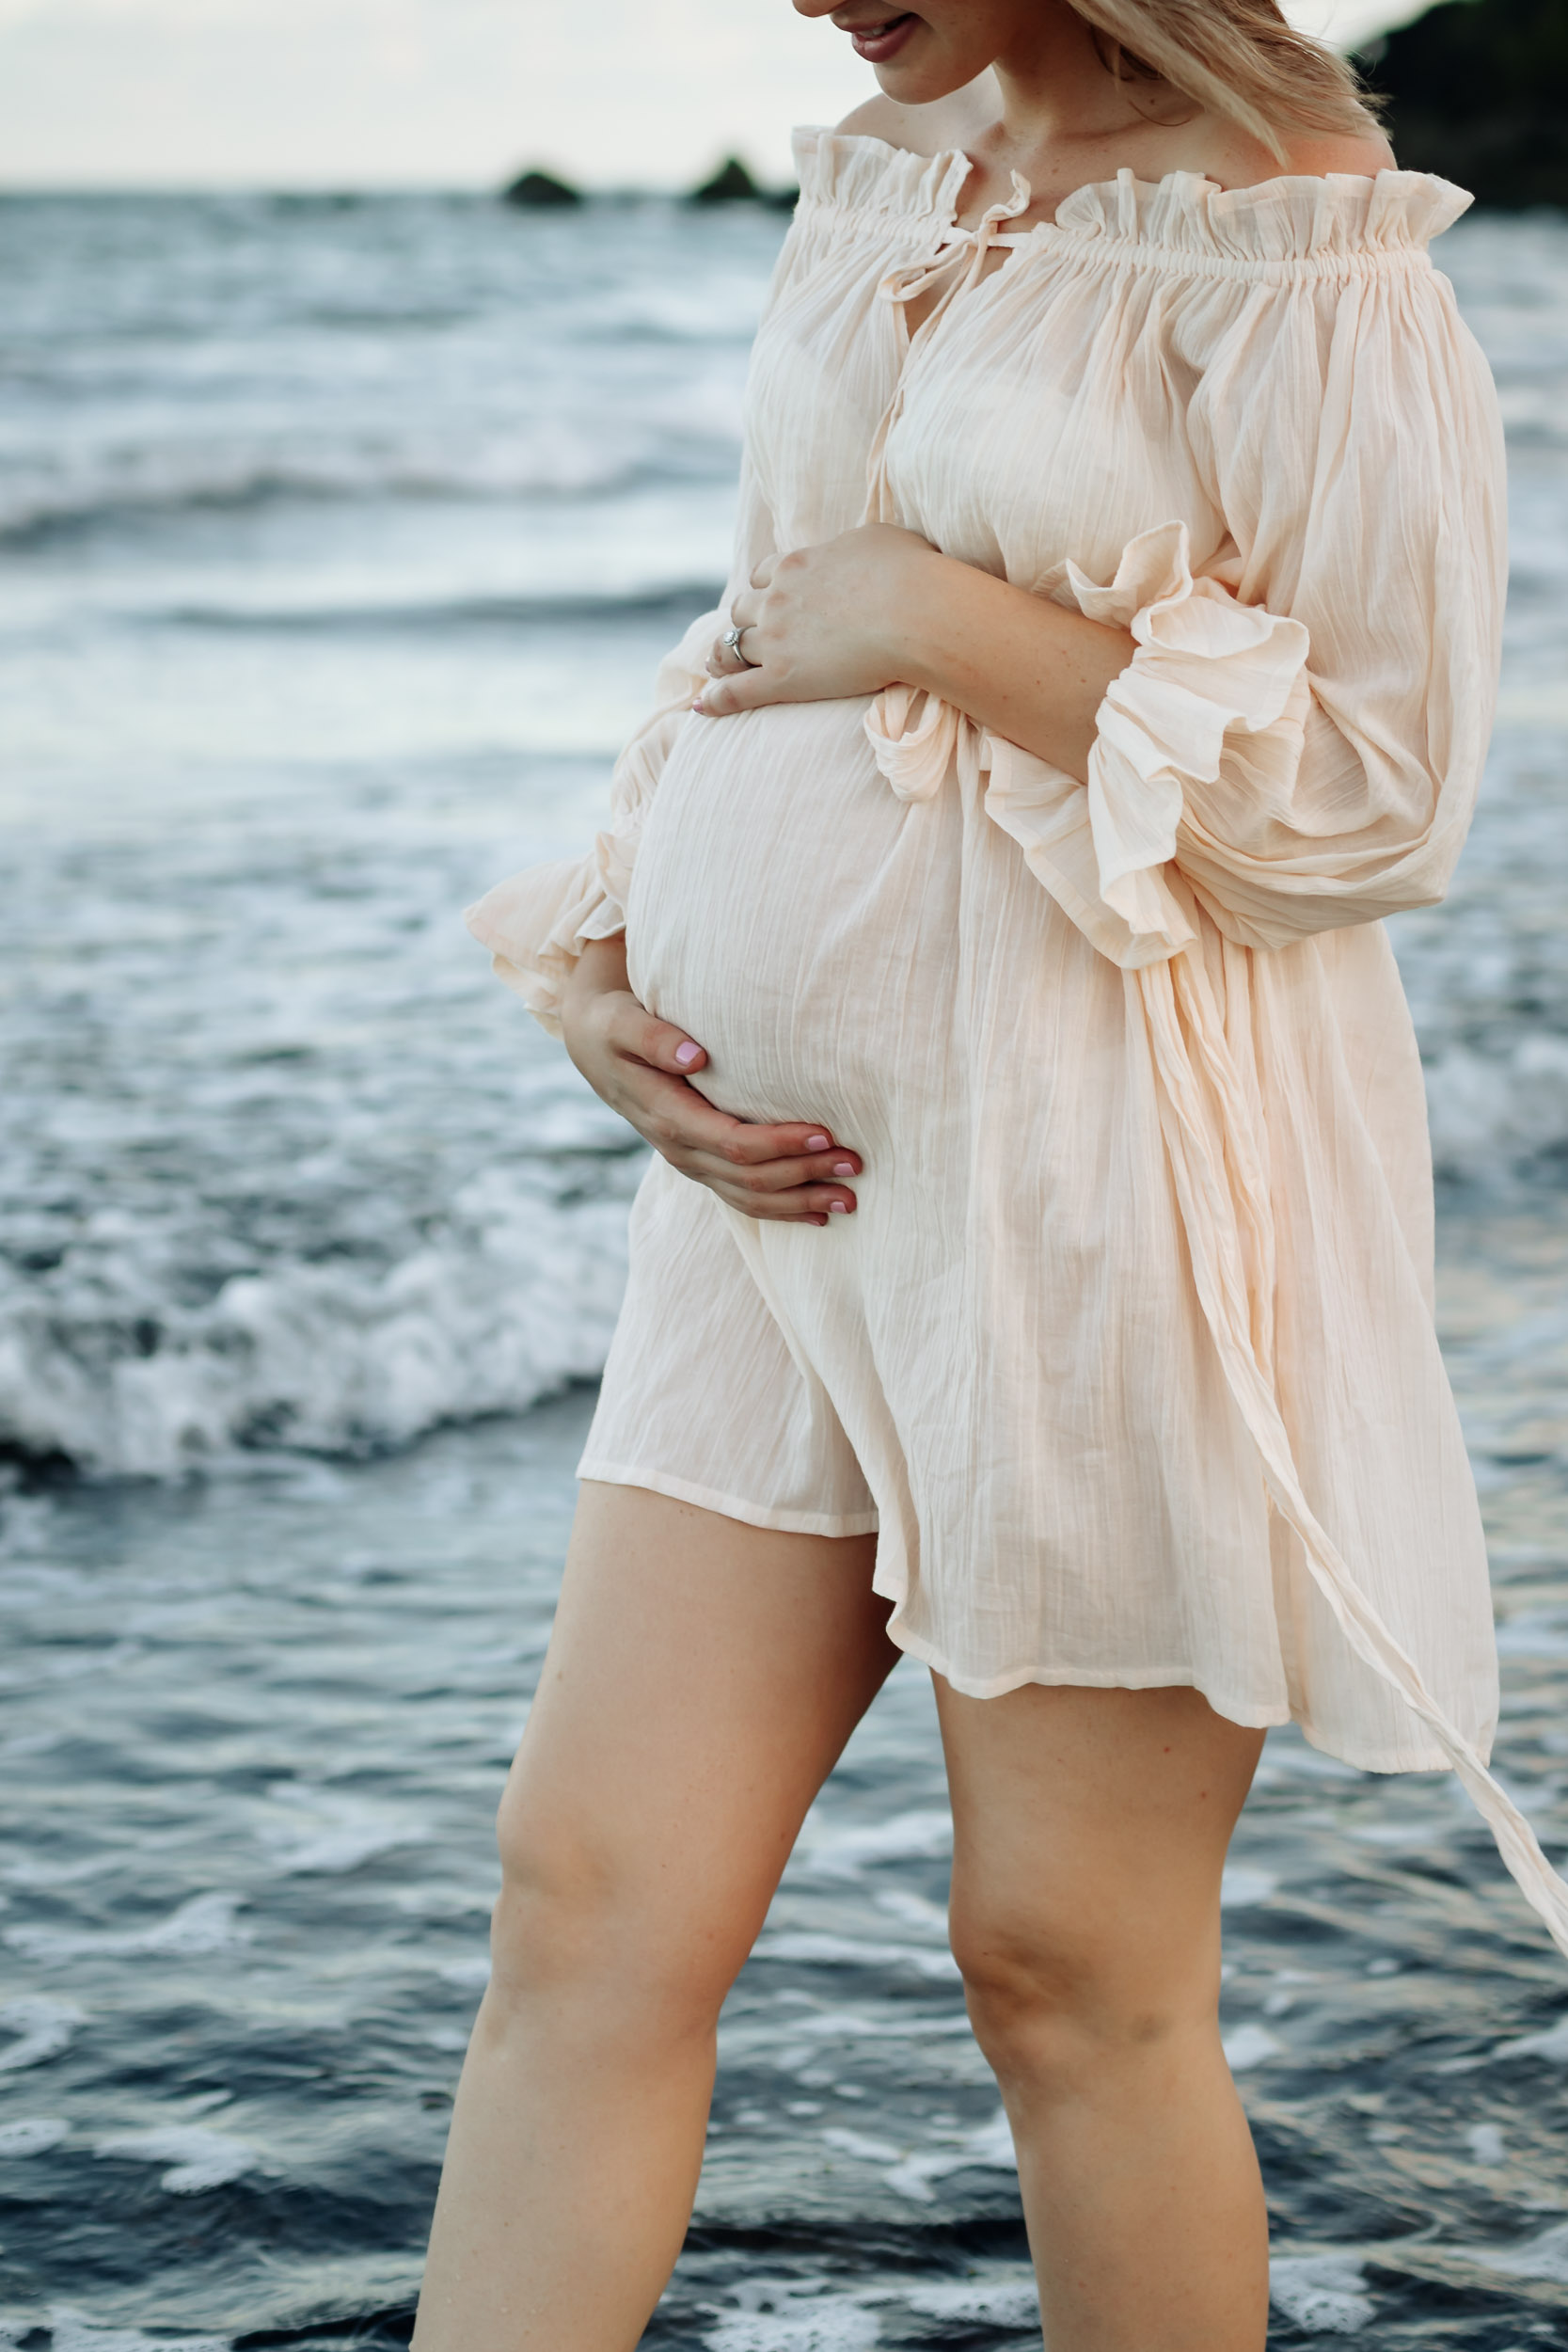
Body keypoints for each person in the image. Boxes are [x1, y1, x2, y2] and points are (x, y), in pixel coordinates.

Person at [416, 3, 1562, 2344]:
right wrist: (606, 966)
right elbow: (755, 610)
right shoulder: (883, 167)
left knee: (1065, 1966)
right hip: (760, 1199)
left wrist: (949, 621)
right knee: (586, 1898)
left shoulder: (1300, 234)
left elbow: (1375, 795)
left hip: (1104, 1178)